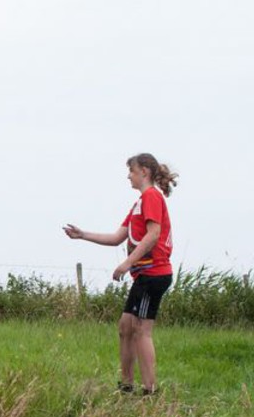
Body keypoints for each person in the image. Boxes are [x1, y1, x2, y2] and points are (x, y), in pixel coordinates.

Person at [64, 153, 177, 396]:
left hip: (153, 273)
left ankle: (150, 391)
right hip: (144, 275)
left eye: (132, 171)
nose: (128, 176)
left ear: (144, 171)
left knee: (141, 330)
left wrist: (126, 263)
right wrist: (82, 235)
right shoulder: (139, 204)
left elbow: (153, 234)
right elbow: (117, 237)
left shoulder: (151, 197)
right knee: (126, 327)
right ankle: (126, 386)